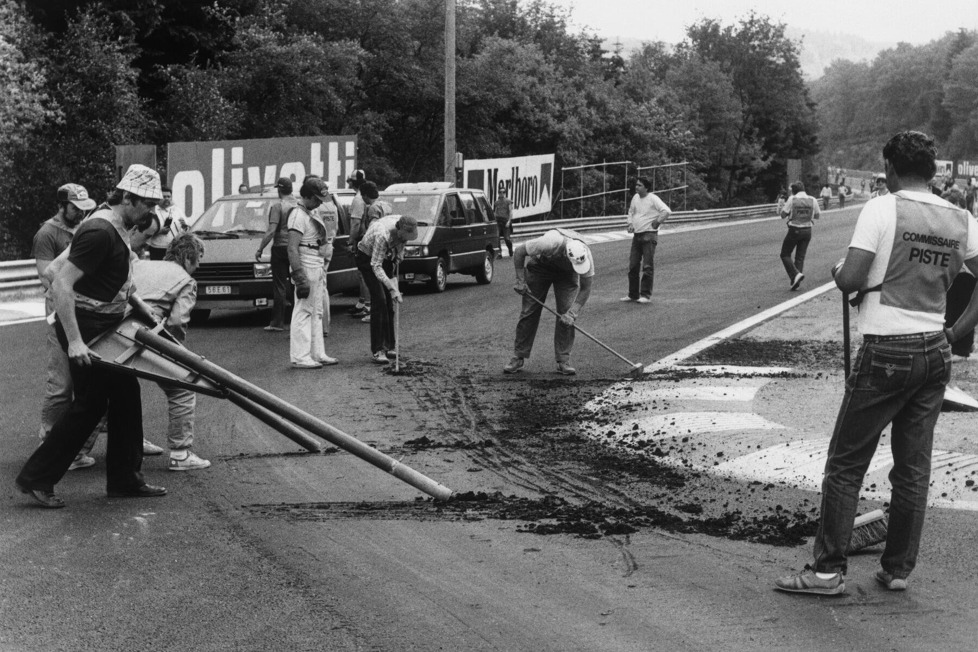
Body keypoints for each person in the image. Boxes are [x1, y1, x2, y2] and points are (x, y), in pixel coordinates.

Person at [775, 131, 978, 595]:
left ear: (889, 166)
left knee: (846, 463)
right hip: (935, 349)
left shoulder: (882, 208)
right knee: (912, 468)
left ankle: (826, 572)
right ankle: (897, 569)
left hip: (887, 350)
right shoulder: (961, 217)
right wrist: (957, 331)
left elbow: (850, 279)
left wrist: (837, 273)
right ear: (932, 171)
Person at [16, 164, 169, 508]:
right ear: (128, 197)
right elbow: (61, 284)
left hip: (102, 323)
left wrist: (139, 305)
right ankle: (36, 478)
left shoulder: (118, 226)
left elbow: (112, 277)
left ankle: (125, 478)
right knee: (89, 405)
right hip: (85, 326)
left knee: (126, 395)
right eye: (147, 204)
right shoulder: (100, 231)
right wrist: (74, 342)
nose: (151, 213)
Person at [132, 233, 211, 470]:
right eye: (197, 261)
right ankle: (180, 453)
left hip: (115, 330)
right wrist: (178, 356)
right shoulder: (186, 280)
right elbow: (176, 324)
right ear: (188, 258)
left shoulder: (140, 264)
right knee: (183, 389)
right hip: (145, 335)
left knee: (109, 390)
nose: (197, 267)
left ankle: (77, 454)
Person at [33, 183, 96, 470]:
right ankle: (48, 443)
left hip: (86, 310)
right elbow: (48, 279)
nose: (81, 212)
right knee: (61, 384)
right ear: (62, 206)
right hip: (59, 312)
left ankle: (76, 446)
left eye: (85, 208)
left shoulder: (86, 226)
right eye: (75, 208)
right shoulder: (47, 233)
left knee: (91, 380)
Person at [504, 228, 594, 375]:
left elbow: (586, 288)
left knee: (566, 313)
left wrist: (573, 312)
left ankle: (563, 360)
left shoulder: (585, 256)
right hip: (540, 267)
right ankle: (518, 356)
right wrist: (520, 280)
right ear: (565, 254)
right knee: (529, 311)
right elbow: (520, 251)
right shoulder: (549, 243)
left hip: (566, 275)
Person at [287, 177, 338, 368]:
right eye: (315, 198)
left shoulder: (311, 212)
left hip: (316, 262)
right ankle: (300, 356)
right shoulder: (297, 215)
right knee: (303, 310)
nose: (318, 202)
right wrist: (299, 276)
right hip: (306, 262)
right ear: (306, 196)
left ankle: (317, 352)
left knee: (317, 311)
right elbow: (292, 248)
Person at [356, 214, 419, 364]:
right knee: (380, 300)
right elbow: (376, 266)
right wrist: (392, 288)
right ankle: (378, 349)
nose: (406, 240)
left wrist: (399, 257)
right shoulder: (382, 235)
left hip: (385, 258)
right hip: (367, 259)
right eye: (406, 236)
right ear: (399, 231)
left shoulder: (402, 226)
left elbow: (400, 249)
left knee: (389, 303)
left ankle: (389, 345)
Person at [619, 177, 670, 304]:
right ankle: (633, 294)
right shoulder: (635, 198)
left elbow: (666, 211)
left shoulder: (653, 198)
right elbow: (631, 212)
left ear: (646, 187)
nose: (636, 187)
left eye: (639, 185)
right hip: (637, 235)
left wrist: (658, 222)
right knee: (633, 266)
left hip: (649, 235)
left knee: (647, 266)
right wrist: (630, 223)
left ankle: (645, 295)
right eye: (636, 185)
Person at [255, 177, 296, 331]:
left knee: (280, 285)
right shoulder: (298, 204)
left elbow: (272, 230)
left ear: (279, 190)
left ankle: (277, 322)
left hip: (280, 247)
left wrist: (260, 248)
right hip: (295, 246)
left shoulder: (278, 206)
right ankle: (298, 318)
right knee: (295, 283)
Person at [354, 181, 393, 324]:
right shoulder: (386, 205)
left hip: (375, 246)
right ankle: (383, 310)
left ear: (364, 195)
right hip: (386, 246)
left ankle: (373, 311)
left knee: (373, 281)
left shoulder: (372, 209)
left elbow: (373, 227)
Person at [779, 181, 821, 291]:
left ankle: (795, 274)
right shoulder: (813, 199)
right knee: (800, 257)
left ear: (793, 190)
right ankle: (795, 282)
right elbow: (817, 216)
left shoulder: (792, 199)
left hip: (795, 229)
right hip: (807, 230)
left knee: (785, 254)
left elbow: (782, 215)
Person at [345, 170, 371, 319]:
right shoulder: (362, 198)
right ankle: (362, 302)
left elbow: (355, 223)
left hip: (361, 238)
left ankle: (367, 305)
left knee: (363, 274)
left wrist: (350, 241)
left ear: (352, 182)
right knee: (363, 273)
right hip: (365, 236)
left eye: (349, 181)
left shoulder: (357, 199)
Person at [146, 185, 189, 260]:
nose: (167, 199)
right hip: (157, 248)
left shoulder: (177, 210)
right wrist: (159, 231)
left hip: (174, 248)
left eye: (168, 197)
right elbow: (146, 230)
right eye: (164, 196)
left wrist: (185, 227)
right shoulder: (152, 211)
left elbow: (186, 229)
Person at [494, 188, 514, 256]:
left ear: (505, 193)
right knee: (497, 237)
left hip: (505, 221)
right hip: (498, 221)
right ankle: (499, 252)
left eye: (503, 192)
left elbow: (511, 212)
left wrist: (509, 221)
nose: (501, 194)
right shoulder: (496, 202)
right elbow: (495, 212)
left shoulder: (508, 201)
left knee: (507, 238)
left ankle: (510, 250)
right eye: (500, 192)